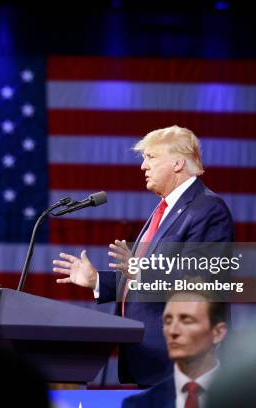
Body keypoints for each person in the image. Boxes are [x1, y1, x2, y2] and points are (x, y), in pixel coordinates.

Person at [53, 126, 234, 386]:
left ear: (178, 163)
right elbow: (139, 278)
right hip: (147, 360)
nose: (143, 167)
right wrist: (97, 281)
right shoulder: (165, 210)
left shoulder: (208, 209)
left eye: (151, 157)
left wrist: (142, 270)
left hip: (176, 360)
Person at [122, 291, 229, 408]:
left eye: (186, 321)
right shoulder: (137, 405)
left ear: (218, 332)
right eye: (167, 321)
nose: (173, 331)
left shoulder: (244, 399)